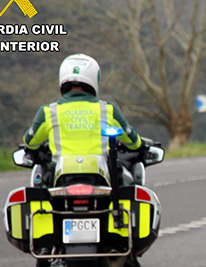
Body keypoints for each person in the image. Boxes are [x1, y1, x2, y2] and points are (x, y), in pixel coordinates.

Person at [23, 53, 142, 186]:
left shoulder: (48, 112)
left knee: (41, 189)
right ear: (95, 78)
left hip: (60, 178)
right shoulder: (108, 109)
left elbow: (30, 142)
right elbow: (134, 142)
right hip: (101, 178)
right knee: (127, 190)